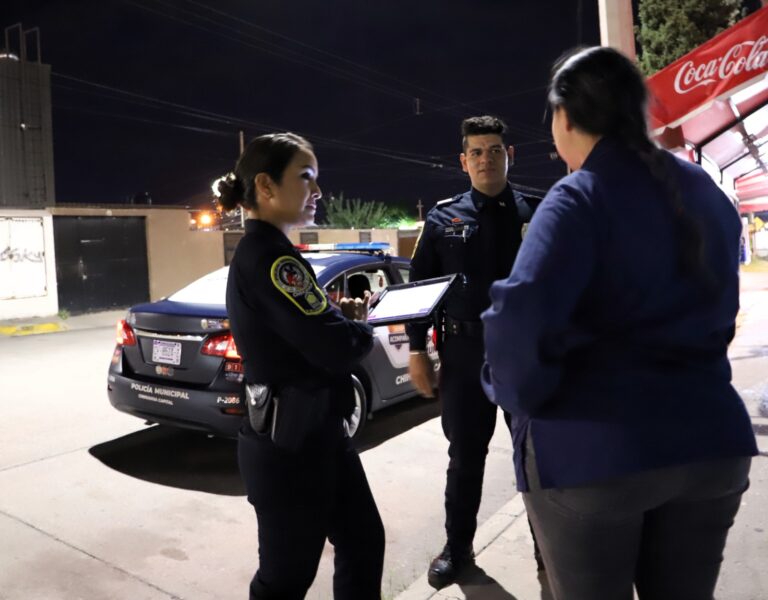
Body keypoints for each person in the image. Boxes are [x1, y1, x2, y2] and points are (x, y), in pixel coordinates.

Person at [481, 47, 758, 600]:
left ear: (565, 117)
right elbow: (722, 315)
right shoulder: (708, 194)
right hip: (710, 443)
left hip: (597, 453)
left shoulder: (578, 197)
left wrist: (518, 396)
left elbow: (519, 324)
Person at [219, 132, 385, 600]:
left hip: (316, 435)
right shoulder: (272, 261)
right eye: (306, 179)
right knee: (286, 578)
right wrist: (361, 326)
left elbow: (311, 330)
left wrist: (338, 320)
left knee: (363, 540)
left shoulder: (272, 256)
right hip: (290, 448)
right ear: (266, 187)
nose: (317, 192)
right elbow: (336, 348)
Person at [405, 115, 541, 588]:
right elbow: (419, 287)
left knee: (536, 455)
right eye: (477, 151)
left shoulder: (536, 212)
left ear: (509, 155)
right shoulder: (442, 217)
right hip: (464, 354)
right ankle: (458, 548)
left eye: (495, 149)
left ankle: (549, 547)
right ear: (463, 161)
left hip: (524, 353)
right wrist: (417, 349)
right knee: (466, 456)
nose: (487, 158)